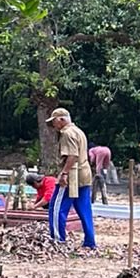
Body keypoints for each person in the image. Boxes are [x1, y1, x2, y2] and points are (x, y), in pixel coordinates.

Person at [48, 107, 96, 251]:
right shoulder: (78, 131)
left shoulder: (67, 133)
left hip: (72, 176)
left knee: (56, 208)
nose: (54, 126)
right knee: (84, 208)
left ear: (61, 119)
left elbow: (72, 156)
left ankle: (57, 240)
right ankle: (90, 241)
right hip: (85, 174)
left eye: (54, 122)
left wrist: (64, 174)